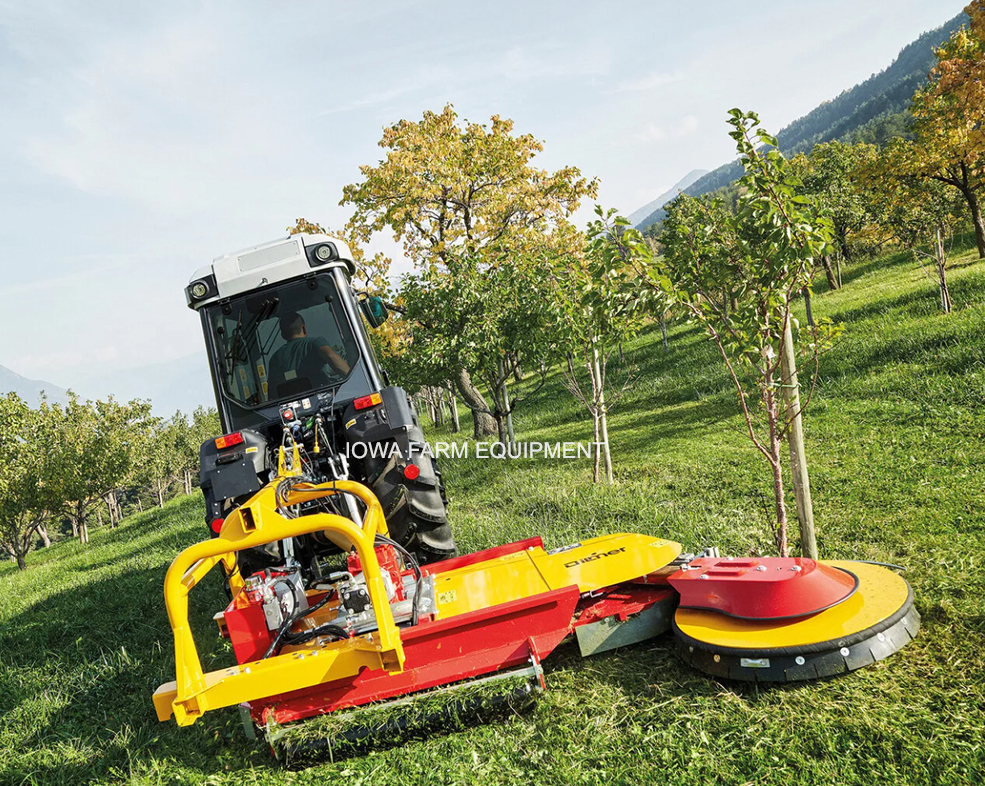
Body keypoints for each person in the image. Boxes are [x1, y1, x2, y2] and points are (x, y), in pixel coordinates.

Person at [267, 311, 350, 395]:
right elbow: (332, 358)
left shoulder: (275, 358)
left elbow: (272, 390)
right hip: (324, 398)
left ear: (283, 335)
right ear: (304, 329)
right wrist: (353, 378)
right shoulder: (315, 343)